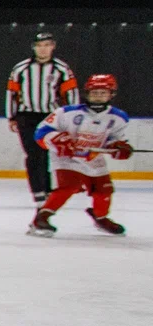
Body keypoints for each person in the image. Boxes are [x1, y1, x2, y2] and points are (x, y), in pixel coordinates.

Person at [28, 74, 131, 237]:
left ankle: (101, 217)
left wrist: (118, 148)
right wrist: (57, 139)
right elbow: (41, 132)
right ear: (87, 93)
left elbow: (115, 141)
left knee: (104, 191)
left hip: (93, 158)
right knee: (69, 186)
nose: (98, 96)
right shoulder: (66, 112)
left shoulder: (119, 117)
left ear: (111, 94)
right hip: (66, 157)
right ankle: (41, 218)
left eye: (103, 93)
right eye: (94, 92)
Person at [6, 33, 79, 206]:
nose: (43, 49)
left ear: (53, 46)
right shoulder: (21, 68)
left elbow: (72, 95)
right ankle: (38, 192)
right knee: (33, 155)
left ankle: (46, 190)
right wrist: (11, 116)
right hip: (27, 116)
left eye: (47, 45)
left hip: (51, 117)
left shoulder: (62, 68)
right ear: (34, 47)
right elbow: (12, 93)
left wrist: (72, 119)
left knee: (46, 155)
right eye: (39, 45)